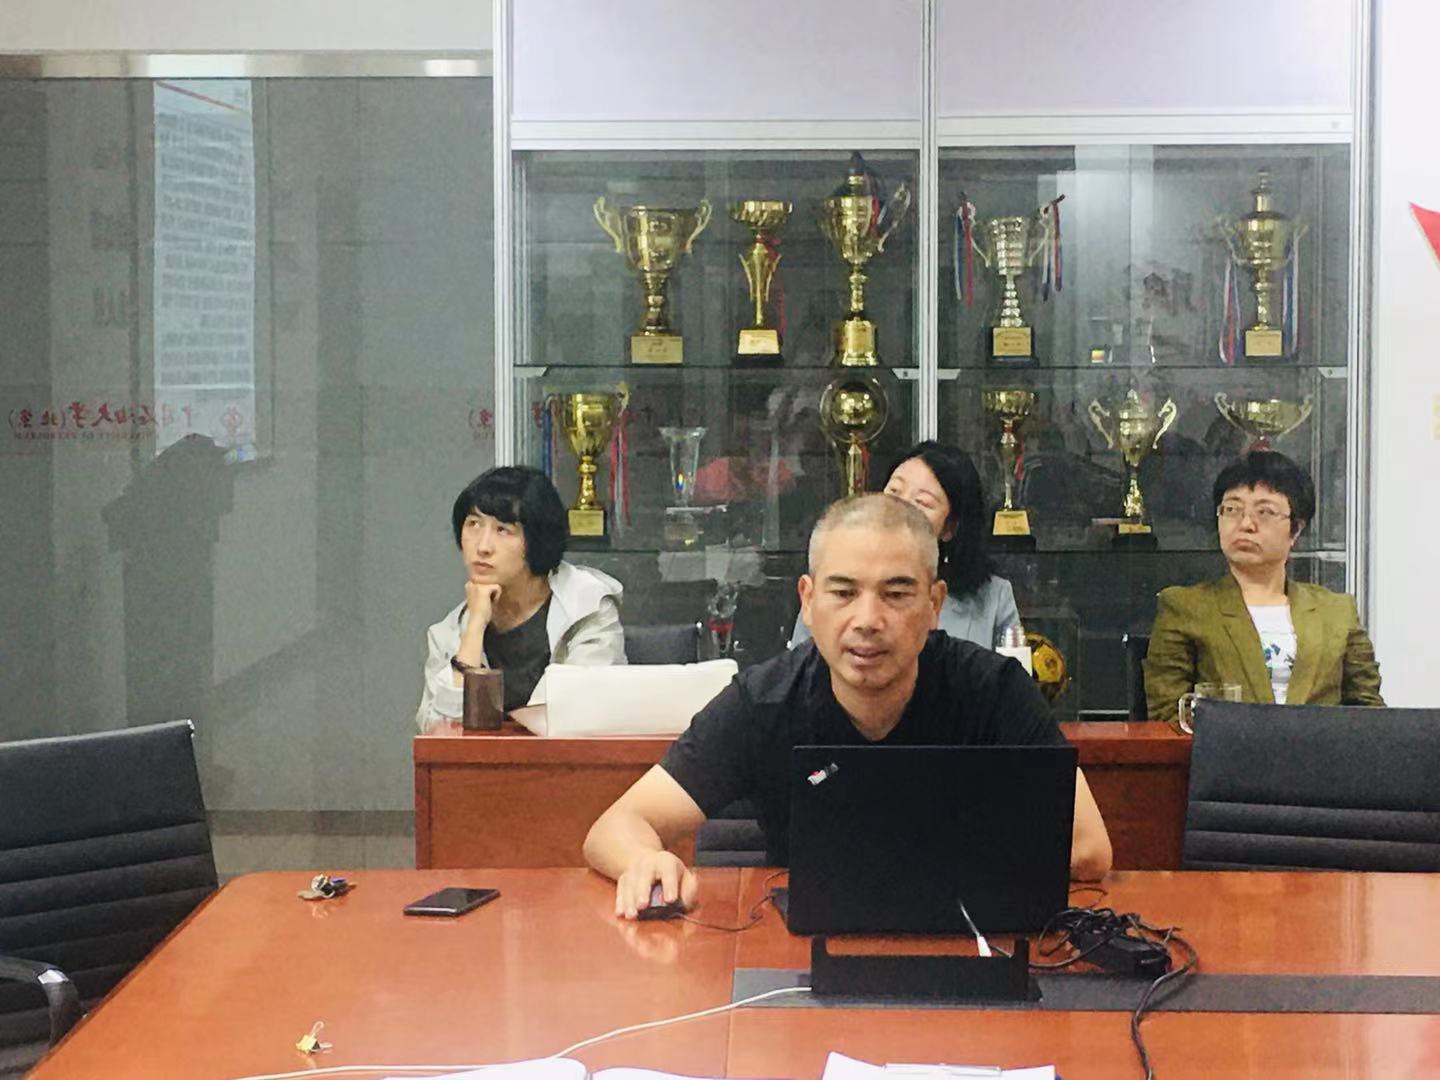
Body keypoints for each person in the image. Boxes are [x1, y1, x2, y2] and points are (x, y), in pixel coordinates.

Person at [585, 493, 1112, 918]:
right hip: (799, 955)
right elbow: (615, 825)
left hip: (963, 939)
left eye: (896, 594)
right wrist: (644, 860)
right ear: (808, 600)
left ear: (934, 604)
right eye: (843, 593)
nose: (867, 620)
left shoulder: (993, 690)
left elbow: (1089, 847)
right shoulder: (762, 701)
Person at [1144, 450, 1383, 722]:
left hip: (1322, 749)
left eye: (1265, 512)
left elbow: (1370, 716)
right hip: (1224, 748)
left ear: (1296, 530)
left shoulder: (1337, 612)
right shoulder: (1185, 607)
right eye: (1232, 509)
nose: (1246, 524)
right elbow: (1168, 716)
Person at [414, 466, 626, 730]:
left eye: (503, 530)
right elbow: (439, 733)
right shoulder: (448, 633)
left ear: (537, 539)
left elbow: (583, 715)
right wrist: (475, 628)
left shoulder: (587, 608)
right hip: (484, 759)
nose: (482, 547)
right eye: (473, 525)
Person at [791, 441, 1021, 649]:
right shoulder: (830, 580)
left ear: (950, 528)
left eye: (922, 502)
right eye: (894, 492)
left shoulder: (993, 597)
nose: (900, 507)